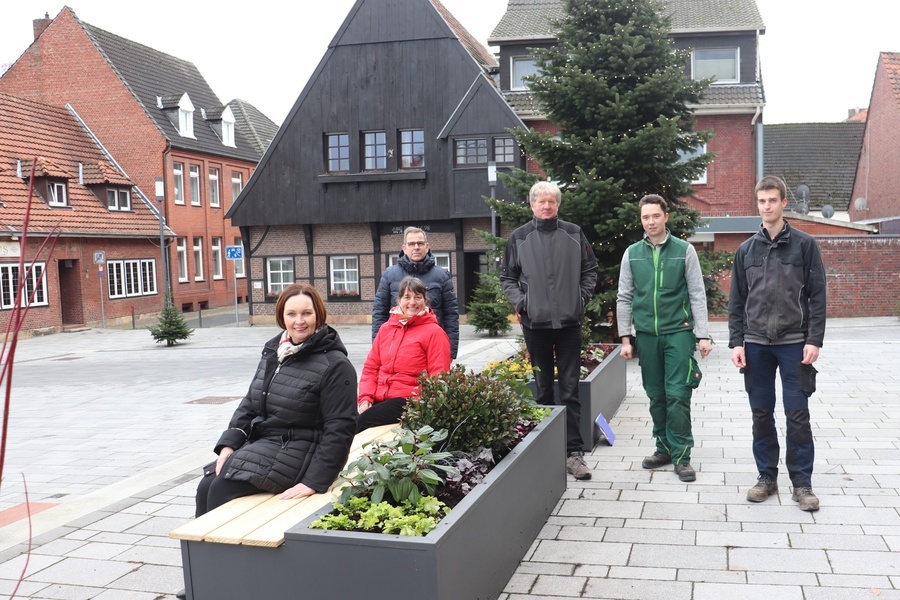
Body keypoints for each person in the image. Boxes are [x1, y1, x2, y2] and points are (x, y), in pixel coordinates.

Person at [193, 283, 357, 517]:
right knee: (205, 485)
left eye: (306, 313)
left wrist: (315, 480)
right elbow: (250, 402)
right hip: (266, 445)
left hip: (301, 452)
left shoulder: (335, 365)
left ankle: (221, 542)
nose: (299, 321)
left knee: (221, 488)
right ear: (282, 317)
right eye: (291, 314)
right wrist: (229, 444)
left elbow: (341, 427)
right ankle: (199, 542)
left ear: (318, 315)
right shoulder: (274, 351)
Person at [729, 175, 826, 512]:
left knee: (797, 414)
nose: (767, 206)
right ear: (757, 204)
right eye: (762, 201)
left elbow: (817, 296)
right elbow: (736, 300)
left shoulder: (804, 245)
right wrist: (736, 342)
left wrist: (814, 340)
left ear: (784, 202)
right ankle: (766, 477)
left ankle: (802, 483)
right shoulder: (746, 250)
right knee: (761, 413)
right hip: (755, 344)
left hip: (794, 344)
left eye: (772, 200)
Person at [500, 180, 598, 480]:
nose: (546, 206)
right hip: (536, 325)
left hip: (569, 324)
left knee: (570, 389)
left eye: (551, 201)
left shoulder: (574, 233)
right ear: (532, 205)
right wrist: (523, 304)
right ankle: (544, 450)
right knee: (542, 389)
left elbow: (590, 270)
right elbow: (507, 277)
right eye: (541, 201)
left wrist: (580, 298)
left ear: (557, 205)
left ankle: (574, 454)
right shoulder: (519, 237)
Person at [616, 194, 712, 483]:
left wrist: (702, 335)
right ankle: (664, 448)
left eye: (655, 216)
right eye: (646, 217)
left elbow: (697, 293)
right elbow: (624, 297)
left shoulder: (684, 250)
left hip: (678, 333)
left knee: (678, 394)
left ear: (665, 217)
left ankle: (682, 457)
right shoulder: (632, 253)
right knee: (656, 395)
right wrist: (625, 338)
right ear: (641, 220)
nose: (651, 222)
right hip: (647, 336)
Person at [357, 276, 452, 432]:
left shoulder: (435, 333)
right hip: (379, 397)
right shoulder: (386, 328)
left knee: (358, 424)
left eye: (418, 297)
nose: (412, 302)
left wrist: (422, 405)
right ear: (399, 300)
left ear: (425, 301)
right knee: (343, 420)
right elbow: (371, 367)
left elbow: (439, 376)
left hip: (409, 400)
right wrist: (365, 398)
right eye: (407, 297)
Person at [373, 227, 460, 359]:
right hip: (397, 347)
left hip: (431, 347)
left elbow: (451, 315)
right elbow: (379, 313)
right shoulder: (389, 275)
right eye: (411, 244)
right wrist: (377, 349)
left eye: (420, 243)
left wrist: (450, 353)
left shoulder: (442, 276)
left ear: (427, 246)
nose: (416, 247)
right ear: (404, 248)